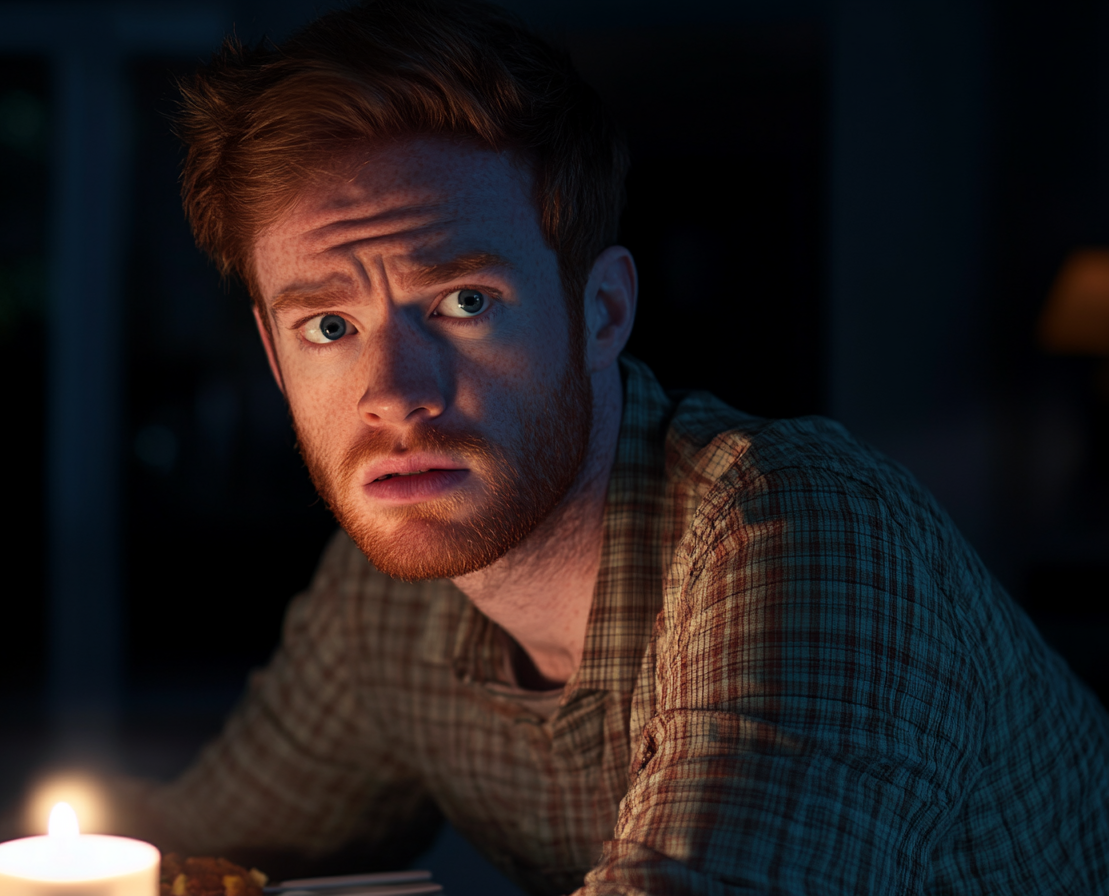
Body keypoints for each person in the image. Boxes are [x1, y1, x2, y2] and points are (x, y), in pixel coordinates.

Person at [112, 0, 1109, 892]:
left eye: (463, 302)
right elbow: (187, 849)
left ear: (603, 310)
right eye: (326, 326)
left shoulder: (802, 530)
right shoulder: (383, 598)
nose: (396, 398)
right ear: (273, 357)